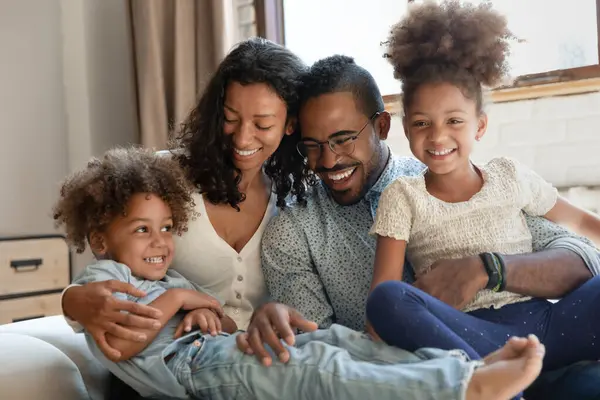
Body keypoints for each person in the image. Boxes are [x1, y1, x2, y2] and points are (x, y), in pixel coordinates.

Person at [238, 54, 600, 400]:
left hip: (543, 346)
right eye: (313, 146)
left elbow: (582, 256)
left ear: (382, 126)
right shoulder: (292, 234)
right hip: (433, 380)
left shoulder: (449, 175)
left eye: (343, 139)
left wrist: (487, 269)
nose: (329, 160)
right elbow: (326, 353)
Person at [56, 146, 546, 400]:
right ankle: (459, 391)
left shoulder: (167, 281)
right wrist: (188, 302)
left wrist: (208, 313)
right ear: (101, 238)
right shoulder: (101, 279)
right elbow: (123, 342)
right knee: (319, 370)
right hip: (200, 376)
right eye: (142, 229)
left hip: (224, 351)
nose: (161, 241)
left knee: (338, 343)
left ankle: (465, 367)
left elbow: (223, 325)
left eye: (166, 228)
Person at [365, 0, 600, 374]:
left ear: (480, 126)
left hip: (549, 328)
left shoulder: (509, 175)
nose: (438, 135)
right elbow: (383, 302)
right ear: (406, 128)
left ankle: (518, 379)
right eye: (422, 123)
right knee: (386, 300)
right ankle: (501, 382)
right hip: (472, 338)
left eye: (454, 120)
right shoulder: (403, 196)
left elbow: (582, 224)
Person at [60, 37, 312, 363]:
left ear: (291, 124)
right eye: (230, 118)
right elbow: (106, 264)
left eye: (262, 124)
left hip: (257, 364)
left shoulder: (293, 198)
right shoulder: (163, 176)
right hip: (170, 364)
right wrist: (72, 301)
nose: (242, 137)